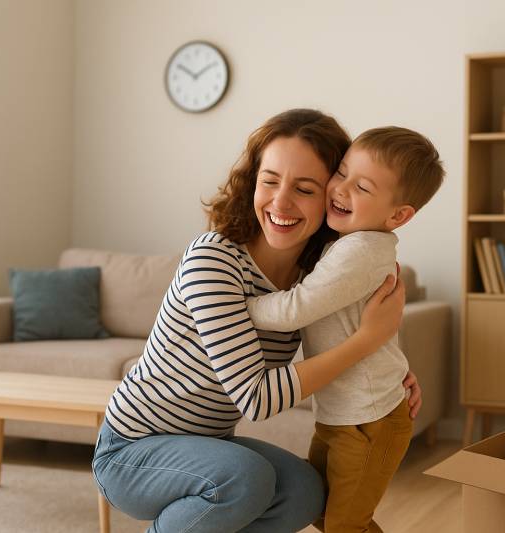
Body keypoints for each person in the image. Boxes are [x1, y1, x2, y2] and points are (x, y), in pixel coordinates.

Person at [91, 109, 422, 533]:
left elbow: (355, 325)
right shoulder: (213, 260)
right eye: (269, 181)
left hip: (207, 446)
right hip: (131, 451)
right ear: (253, 182)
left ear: (332, 196)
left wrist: (391, 371)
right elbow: (257, 399)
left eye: (305, 188)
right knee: (245, 477)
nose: (281, 202)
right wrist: (366, 341)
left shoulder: (314, 276)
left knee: (305, 490)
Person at [246, 126, 445, 532]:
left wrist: (228, 304)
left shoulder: (359, 251)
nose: (340, 189)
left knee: (343, 523)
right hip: (347, 415)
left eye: (363, 187)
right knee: (326, 513)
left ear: (398, 215)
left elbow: (294, 309)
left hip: (368, 422)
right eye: (341, 172)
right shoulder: (349, 242)